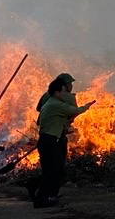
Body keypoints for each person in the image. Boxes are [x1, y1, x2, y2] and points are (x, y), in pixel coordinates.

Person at [32, 77, 95, 208]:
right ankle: (40, 199)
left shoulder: (50, 103)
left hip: (48, 139)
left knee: (55, 169)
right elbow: (76, 111)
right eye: (63, 92)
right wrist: (87, 106)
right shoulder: (56, 104)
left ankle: (47, 196)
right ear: (56, 93)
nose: (65, 95)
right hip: (50, 140)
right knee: (53, 170)